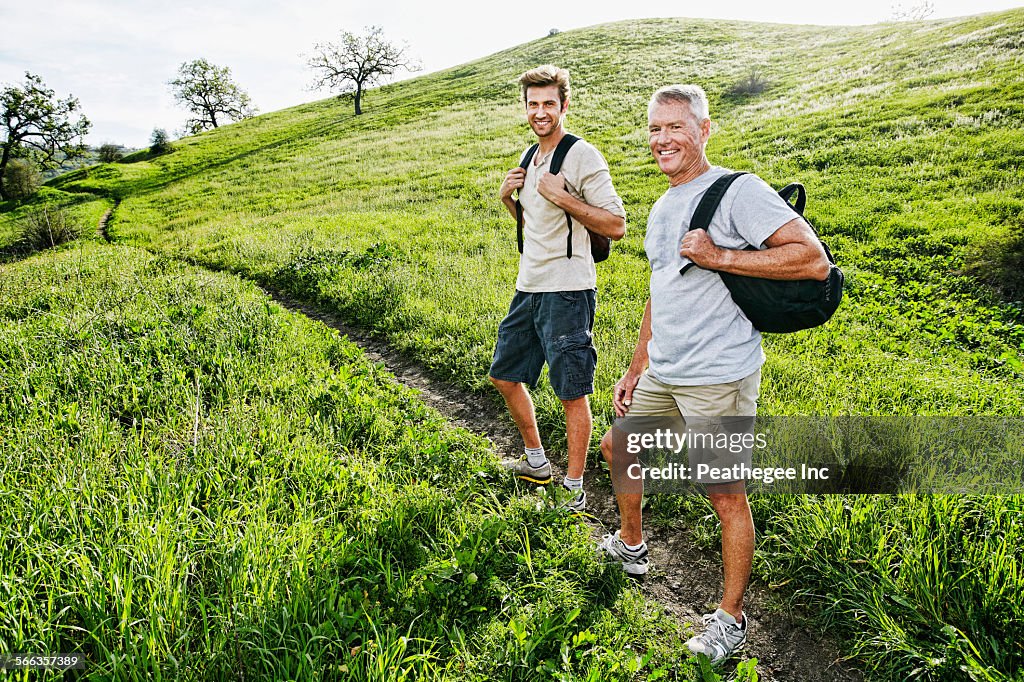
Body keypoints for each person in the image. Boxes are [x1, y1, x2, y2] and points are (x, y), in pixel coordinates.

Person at [598, 84, 830, 665]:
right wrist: (636, 365)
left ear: (704, 130)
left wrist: (720, 256)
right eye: (654, 128)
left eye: (676, 127)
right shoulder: (661, 205)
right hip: (667, 368)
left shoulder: (738, 191)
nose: (662, 139)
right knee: (617, 447)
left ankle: (731, 619)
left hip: (719, 374)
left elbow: (811, 259)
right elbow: (662, 290)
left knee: (723, 492)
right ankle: (631, 545)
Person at [489, 64, 626, 512]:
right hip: (528, 286)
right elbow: (537, 227)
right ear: (525, 108)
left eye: (549, 103)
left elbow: (616, 225)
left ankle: (573, 486)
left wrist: (564, 195)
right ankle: (536, 462)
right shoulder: (530, 157)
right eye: (533, 104)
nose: (541, 111)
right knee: (504, 376)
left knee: (571, 391)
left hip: (567, 291)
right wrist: (511, 200)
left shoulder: (582, 156)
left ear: (564, 105)